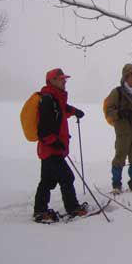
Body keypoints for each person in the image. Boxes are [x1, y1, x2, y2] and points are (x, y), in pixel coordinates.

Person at [33, 68, 87, 223]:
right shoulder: (49, 99)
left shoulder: (56, 98)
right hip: (51, 149)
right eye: (61, 79)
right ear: (52, 81)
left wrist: (75, 111)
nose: (64, 81)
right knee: (66, 177)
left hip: (52, 149)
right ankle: (72, 208)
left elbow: (63, 110)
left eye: (64, 79)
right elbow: (43, 128)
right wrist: (54, 141)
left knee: (47, 181)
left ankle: (40, 210)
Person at [105, 64, 132, 194]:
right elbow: (108, 110)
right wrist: (120, 113)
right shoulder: (117, 92)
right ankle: (116, 185)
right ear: (125, 77)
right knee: (120, 157)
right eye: (131, 75)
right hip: (123, 131)